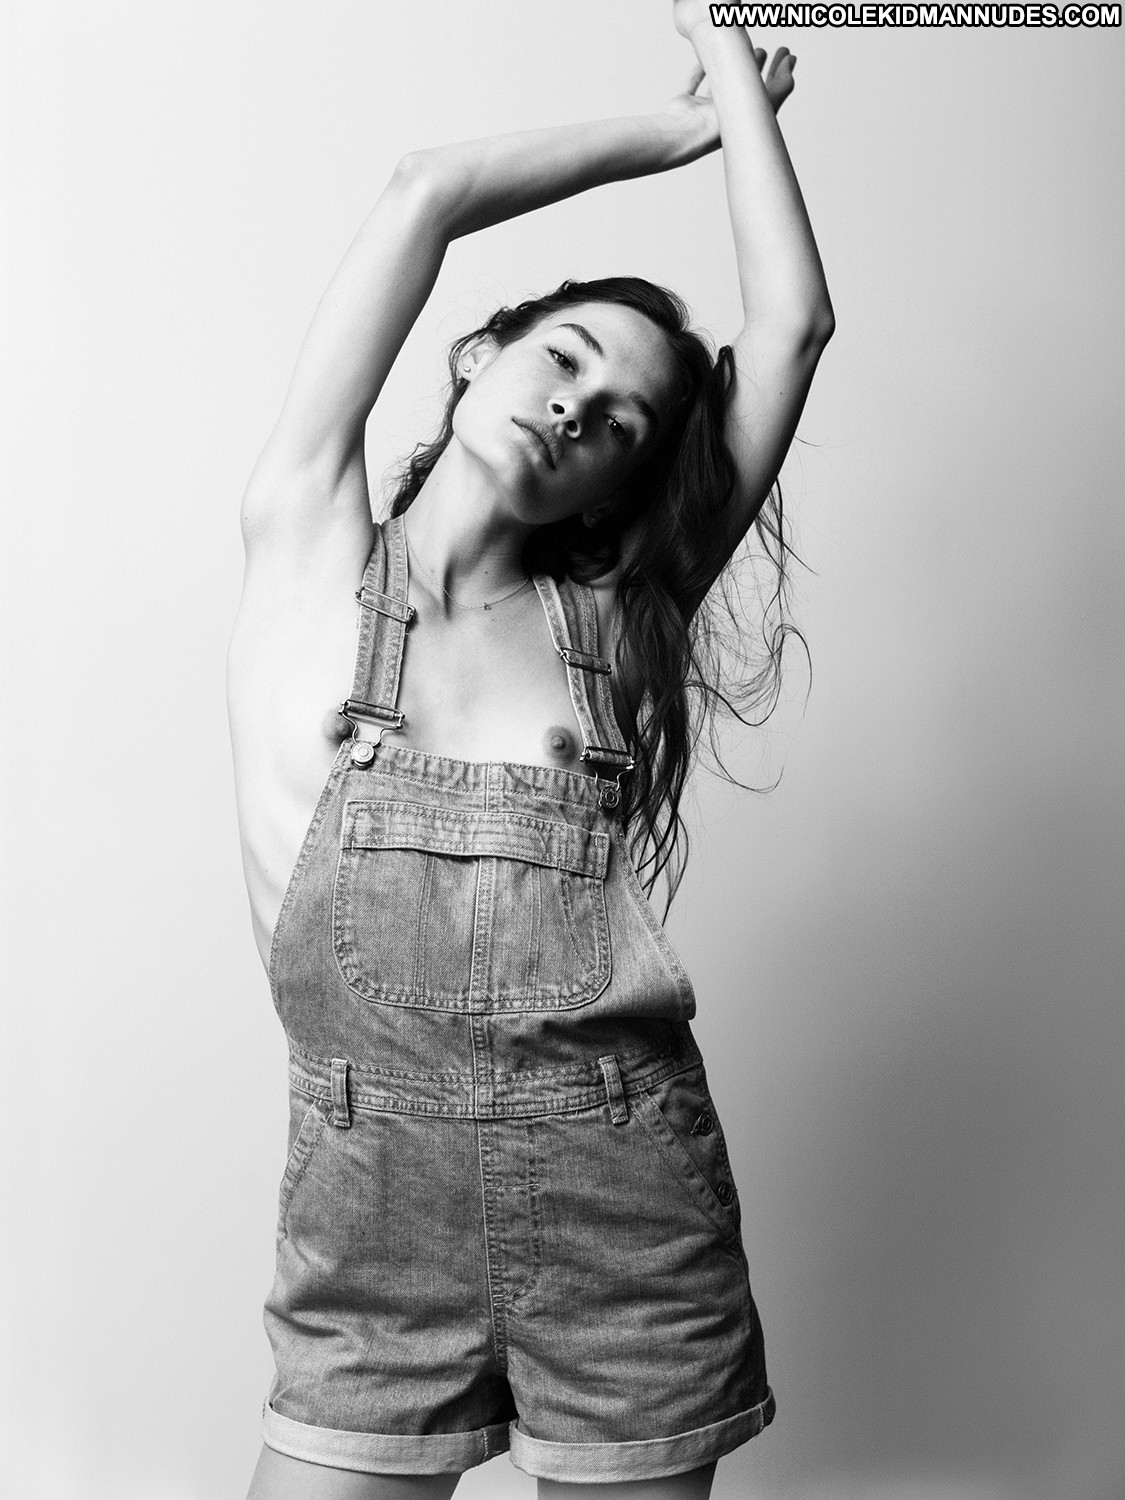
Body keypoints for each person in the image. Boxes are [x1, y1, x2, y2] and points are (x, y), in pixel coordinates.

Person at [229, 4, 833, 1496]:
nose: (576, 405)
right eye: (562, 356)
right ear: (478, 352)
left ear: (618, 482)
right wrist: (685, 125)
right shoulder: (307, 544)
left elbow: (791, 329)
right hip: (369, 1225)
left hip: (624, 1211)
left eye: (621, 420)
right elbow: (425, 189)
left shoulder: (614, 622)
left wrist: (747, 95)